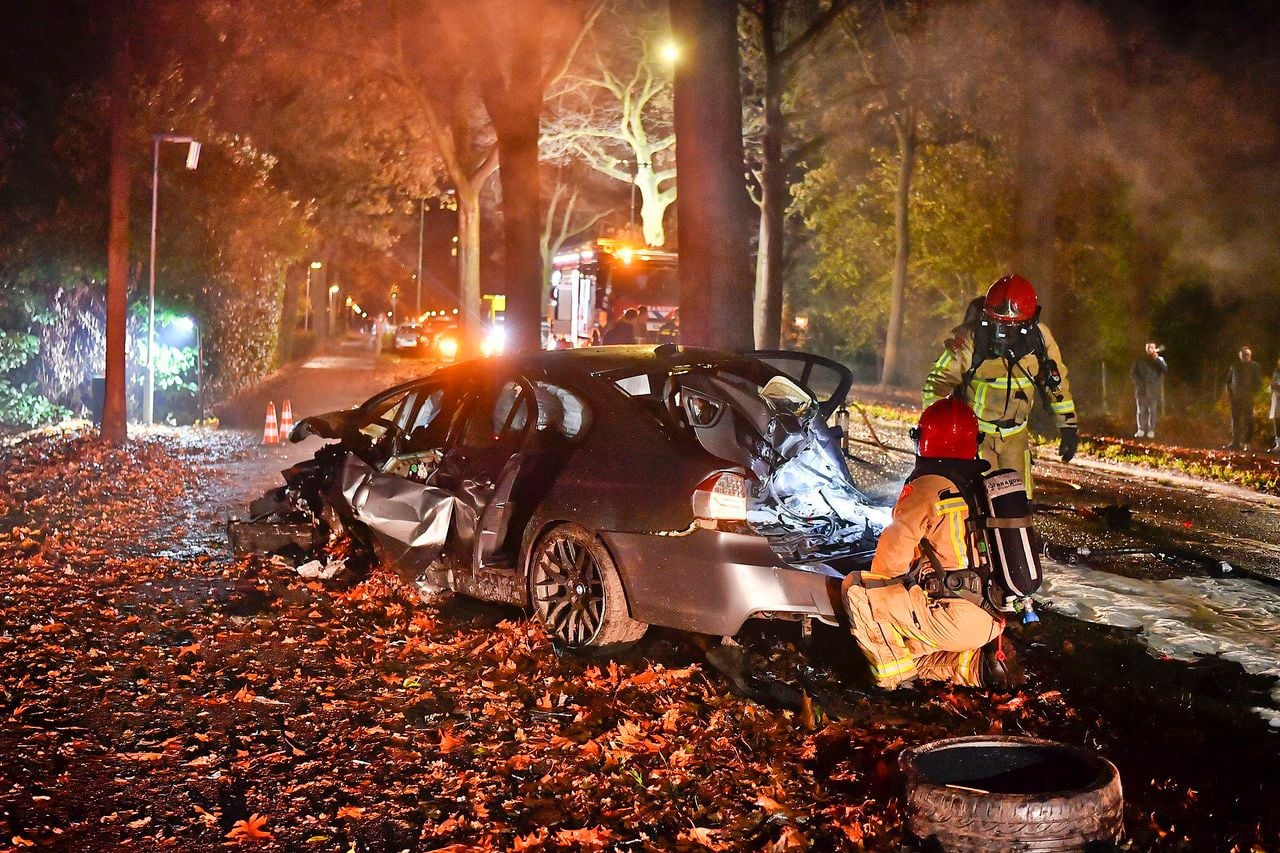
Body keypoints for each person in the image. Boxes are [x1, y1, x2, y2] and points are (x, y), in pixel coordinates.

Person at [840, 397, 1016, 691]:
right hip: (990, 616)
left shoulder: (927, 487)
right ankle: (975, 668)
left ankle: (893, 680)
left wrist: (882, 587)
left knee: (861, 589)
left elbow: (891, 557)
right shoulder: (978, 484)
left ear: (923, 439)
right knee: (907, 643)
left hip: (953, 615)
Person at [923, 274, 1077, 496]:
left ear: (1028, 323)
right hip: (976, 437)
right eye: (995, 324)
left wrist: (1068, 426)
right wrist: (936, 429)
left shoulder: (1041, 339)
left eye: (1011, 327)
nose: (1001, 334)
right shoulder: (970, 338)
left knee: (1019, 505)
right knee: (980, 504)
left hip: (1016, 437)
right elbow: (937, 382)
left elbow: (1056, 384)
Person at [1225, 346, 1262, 450]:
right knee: (1235, 419)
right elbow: (1228, 381)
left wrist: (1252, 394)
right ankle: (1235, 442)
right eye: (1243, 354)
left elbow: (1258, 383)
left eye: (1247, 355)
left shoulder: (1255, 366)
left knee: (1248, 420)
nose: (1245, 356)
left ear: (1250, 355)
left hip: (1248, 398)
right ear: (1239, 355)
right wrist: (1231, 394)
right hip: (1235, 398)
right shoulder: (1235, 366)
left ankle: (1246, 442)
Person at [1130, 341, 1167, 439]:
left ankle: (1151, 430)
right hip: (1141, 390)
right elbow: (1133, 373)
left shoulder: (1160, 359)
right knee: (1140, 411)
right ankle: (1141, 430)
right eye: (1148, 347)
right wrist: (1138, 383)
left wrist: (1157, 359)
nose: (1150, 349)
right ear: (1146, 349)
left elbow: (1164, 370)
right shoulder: (1139, 360)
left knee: (1153, 411)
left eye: (1152, 347)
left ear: (1155, 348)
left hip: (1153, 390)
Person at [1269, 356, 1280, 453]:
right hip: (1277, 398)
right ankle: (1278, 444)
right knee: (1277, 421)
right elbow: (1272, 384)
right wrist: (1272, 386)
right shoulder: (1277, 371)